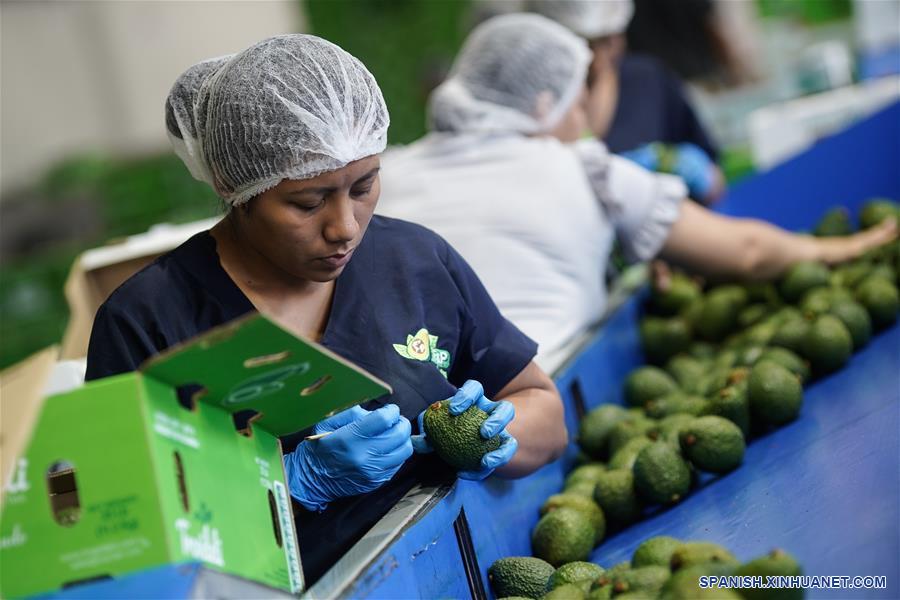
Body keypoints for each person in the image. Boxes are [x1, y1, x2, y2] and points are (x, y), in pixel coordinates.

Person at [85, 34, 566, 585]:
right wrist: (295, 484)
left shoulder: (414, 261)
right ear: (232, 186)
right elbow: (121, 535)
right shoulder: (150, 320)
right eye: (307, 203)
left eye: (364, 186)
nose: (344, 228)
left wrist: (500, 437)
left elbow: (544, 413)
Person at [376, 14, 896, 368]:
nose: (584, 121)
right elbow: (748, 252)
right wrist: (846, 248)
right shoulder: (583, 168)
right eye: (579, 103)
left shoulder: (391, 174)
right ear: (542, 104)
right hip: (534, 403)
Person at [527, 0, 725, 204]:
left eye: (609, 38)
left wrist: (684, 166)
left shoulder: (646, 79)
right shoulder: (537, 108)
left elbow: (715, 179)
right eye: (590, 43)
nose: (602, 55)